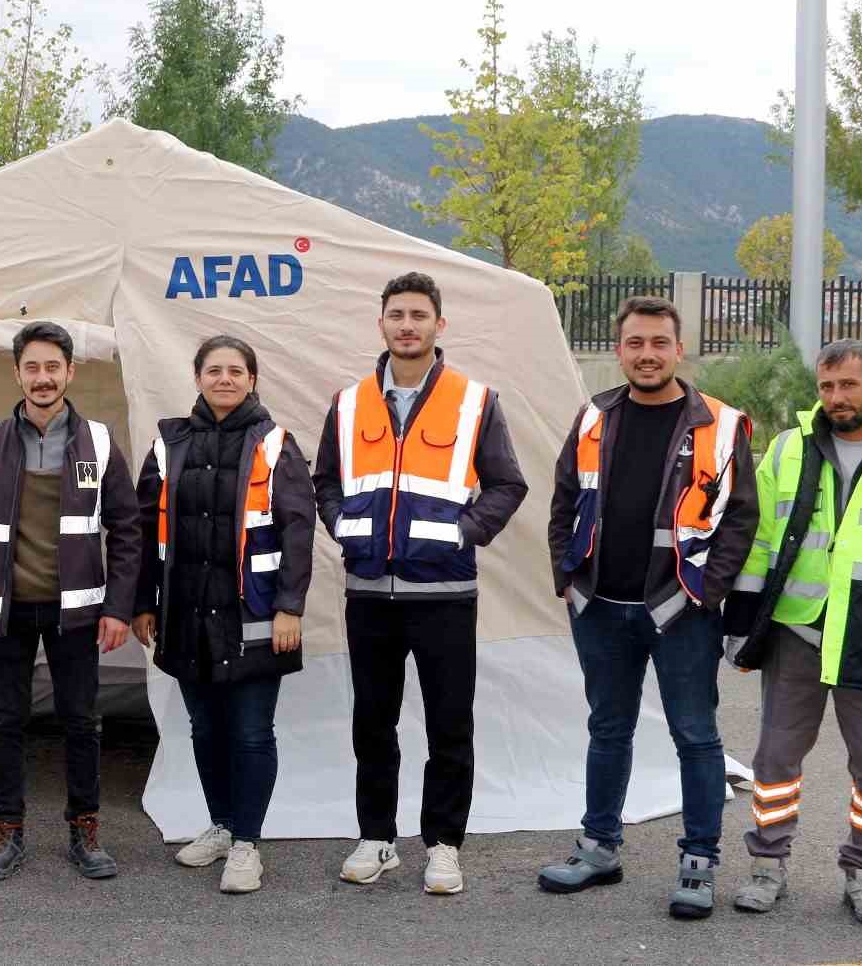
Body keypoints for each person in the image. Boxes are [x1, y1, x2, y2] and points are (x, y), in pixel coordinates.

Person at [541, 295, 758, 919]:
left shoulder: (719, 423)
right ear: (620, 349)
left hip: (680, 610)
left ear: (678, 349)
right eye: (635, 343)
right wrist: (567, 574)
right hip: (600, 607)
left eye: (659, 343)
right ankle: (600, 846)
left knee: (696, 735)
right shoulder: (593, 417)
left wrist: (705, 591)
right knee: (608, 730)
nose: (647, 354)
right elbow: (563, 500)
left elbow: (741, 518)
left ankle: (699, 861)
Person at [313, 270, 528, 896]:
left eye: (418, 315)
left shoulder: (475, 400)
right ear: (380, 323)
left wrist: (463, 532)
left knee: (448, 726)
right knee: (372, 723)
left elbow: (508, 484)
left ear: (440, 324)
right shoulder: (348, 403)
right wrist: (345, 528)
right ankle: (377, 837)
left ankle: (442, 845)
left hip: (445, 596)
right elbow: (326, 480)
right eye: (397, 315)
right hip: (368, 595)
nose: (408, 326)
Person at [725, 339, 862, 926]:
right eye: (827, 386)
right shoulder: (788, 450)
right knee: (776, 758)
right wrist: (740, 624)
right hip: (797, 635)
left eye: (849, 385)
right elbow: (759, 538)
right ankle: (767, 866)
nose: (836, 397)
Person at [0, 320, 142, 881]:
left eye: (52, 367)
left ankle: (85, 830)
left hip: (76, 612)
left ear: (70, 372)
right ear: (16, 373)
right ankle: (7, 833)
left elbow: (126, 529)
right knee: (6, 722)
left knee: (81, 721)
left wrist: (118, 608)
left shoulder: (99, 441)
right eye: (31, 367)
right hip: (7, 609)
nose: (42, 377)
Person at [133, 335, 316, 894]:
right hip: (185, 615)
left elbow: (298, 530)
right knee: (205, 729)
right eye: (214, 370)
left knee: (252, 733)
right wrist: (143, 602)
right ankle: (220, 824)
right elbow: (141, 530)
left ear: (253, 379)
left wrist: (290, 607)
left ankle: (247, 844)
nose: (225, 379)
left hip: (255, 617)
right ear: (197, 378)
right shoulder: (169, 443)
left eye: (237, 370)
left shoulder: (275, 443)